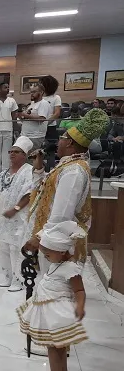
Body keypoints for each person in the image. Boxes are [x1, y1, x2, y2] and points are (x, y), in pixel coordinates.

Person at [23, 109, 110, 275]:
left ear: (70, 143)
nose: (58, 142)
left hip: (60, 245)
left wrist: (39, 237)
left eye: (62, 138)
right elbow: (43, 193)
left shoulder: (73, 171)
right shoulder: (67, 166)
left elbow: (62, 215)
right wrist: (39, 169)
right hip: (52, 239)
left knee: (56, 294)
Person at [17, 221, 88, 371]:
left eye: (48, 255)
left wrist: (80, 306)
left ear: (62, 251)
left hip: (57, 313)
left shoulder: (71, 268)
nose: (46, 258)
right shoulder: (59, 262)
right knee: (59, 345)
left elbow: (79, 290)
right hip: (51, 310)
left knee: (53, 346)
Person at [0, 136, 35, 291]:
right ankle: (8, 277)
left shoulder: (29, 171)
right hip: (3, 217)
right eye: (10, 151)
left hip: (19, 217)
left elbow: (30, 193)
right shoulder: (3, 174)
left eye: (16, 152)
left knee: (16, 248)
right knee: (3, 246)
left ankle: (19, 280)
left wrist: (16, 209)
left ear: (24, 155)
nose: (12, 154)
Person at [19, 83, 52, 153]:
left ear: (41, 92)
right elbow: (27, 119)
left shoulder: (43, 103)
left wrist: (26, 115)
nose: (31, 94)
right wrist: (21, 115)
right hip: (25, 135)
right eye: (31, 92)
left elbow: (42, 118)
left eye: (34, 92)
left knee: (30, 159)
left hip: (35, 137)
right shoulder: (32, 104)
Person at [41, 75, 63, 171]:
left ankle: (51, 170)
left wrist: (46, 122)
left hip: (50, 127)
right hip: (39, 128)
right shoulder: (39, 97)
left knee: (51, 150)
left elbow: (57, 113)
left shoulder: (56, 97)